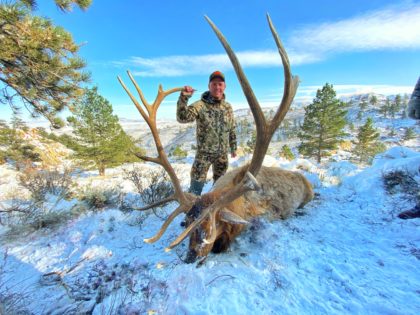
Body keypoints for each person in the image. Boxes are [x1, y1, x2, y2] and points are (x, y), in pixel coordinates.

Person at [177, 70, 237, 195]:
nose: (217, 87)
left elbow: (231, 128)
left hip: (222, 156)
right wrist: (184, 98)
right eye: (214, 84)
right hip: (203, 155)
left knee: (220, 189)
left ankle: (215, 210)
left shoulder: (228, 107)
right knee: (195, 189)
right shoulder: (200, 105)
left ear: (224, 86)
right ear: (209, 86)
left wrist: (233, 147)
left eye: (220, 84)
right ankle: (191, 212)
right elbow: (182, 118)